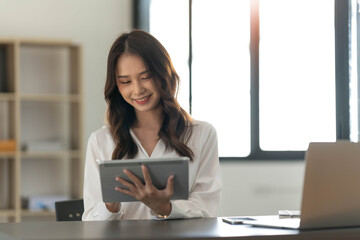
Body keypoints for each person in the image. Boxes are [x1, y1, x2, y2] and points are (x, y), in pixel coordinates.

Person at [82, 29, 222, 221]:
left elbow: (207, 209)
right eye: (126, 81)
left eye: (146, 77)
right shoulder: (101, 141)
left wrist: (166, 208)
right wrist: (110, 207)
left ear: (164, 72)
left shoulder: (202, 134)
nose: (138, 90)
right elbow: (89, 219)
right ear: (116, 85)